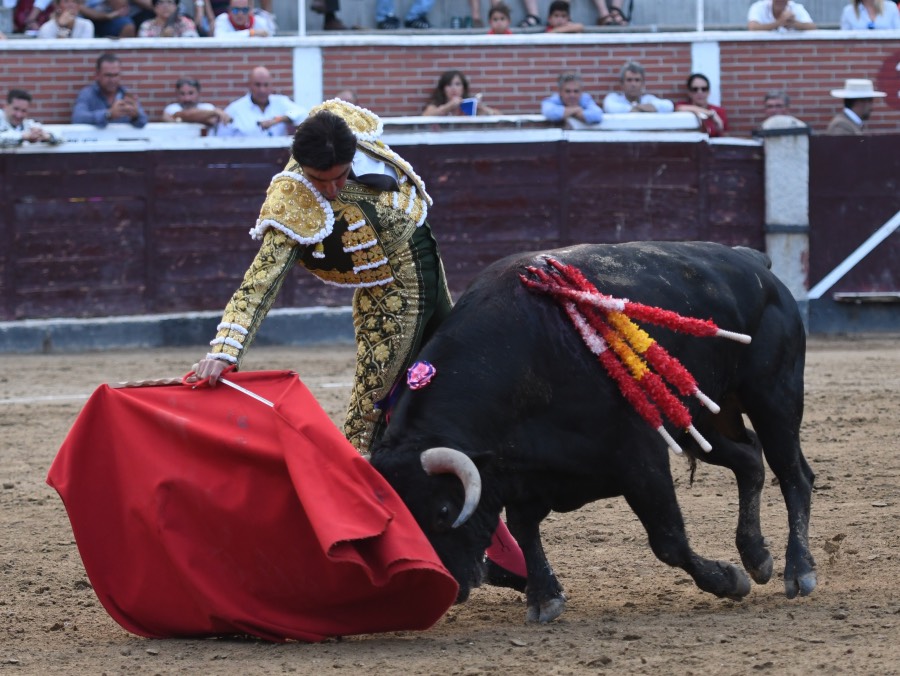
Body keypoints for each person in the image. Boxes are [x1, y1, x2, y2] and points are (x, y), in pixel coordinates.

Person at [191, 99, 452, 455]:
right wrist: (225, 351)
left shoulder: (341, 127)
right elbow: (259, 282)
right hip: (388, 288)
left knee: (452, 369)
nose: (331, 190)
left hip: (425, 257)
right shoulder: (292, 198)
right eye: (319, 180)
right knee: (367, 413)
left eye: (340, 176)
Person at [219, 66, 306, 137]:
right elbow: (222, 139)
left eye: (266, 85)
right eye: (257, 85)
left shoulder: (281, 102)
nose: (262, 90)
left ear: (271, 85)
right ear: (249, 85)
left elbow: (304, 114)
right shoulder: (234, 109)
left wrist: (277, 120)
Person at [71, 53, 148, 128]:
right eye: (108, 75)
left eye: (116, 75)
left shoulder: (126, 93)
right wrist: (108, 114)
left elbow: (143, 120)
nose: (113, 80)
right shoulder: (87, 94)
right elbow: (77, 118)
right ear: (97, 75)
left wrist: (135, 116)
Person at [602, 61, 674, 114]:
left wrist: (636, 108)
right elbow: (610, 107)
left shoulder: (648, 99)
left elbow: (669, 105)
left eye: (637, 80)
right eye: (629, 80)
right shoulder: (614, 98)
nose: (633, 84)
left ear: (642, 84)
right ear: (622, 83)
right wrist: (643, 108)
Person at [422, 70, 500, 116]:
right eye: (449, 85)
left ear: (463, 88)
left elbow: (500, 116)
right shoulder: (437, 104)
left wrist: (484, 110)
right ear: (443, 89)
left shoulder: (469, 105)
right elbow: (425, 117)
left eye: (457, 84)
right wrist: (448, 106)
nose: (454, 88)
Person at [162, 77, 231, 129]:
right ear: (177, 94)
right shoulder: (172, 108)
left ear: (198, 93)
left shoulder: (207, 107)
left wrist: (180, 120)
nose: (187, 98)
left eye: (191, 93)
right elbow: (183, 115)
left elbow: (211, 120)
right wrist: (214, 112)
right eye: (182, 94)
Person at [675, 73, 727, 137]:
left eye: (704, 89)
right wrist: (710, 114)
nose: (700, 92)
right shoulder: (684, 106)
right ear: (689, 92)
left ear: (709, 91)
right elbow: (679, 108)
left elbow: (724, 135)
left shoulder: (719, 111)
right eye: (695, 89)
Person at [748, 0, 816, 31]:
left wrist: (794, 23)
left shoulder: (795, 7)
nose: (780, 1)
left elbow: (812, 26)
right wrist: (779, 23)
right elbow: (752, 27)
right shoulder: (759, 7)